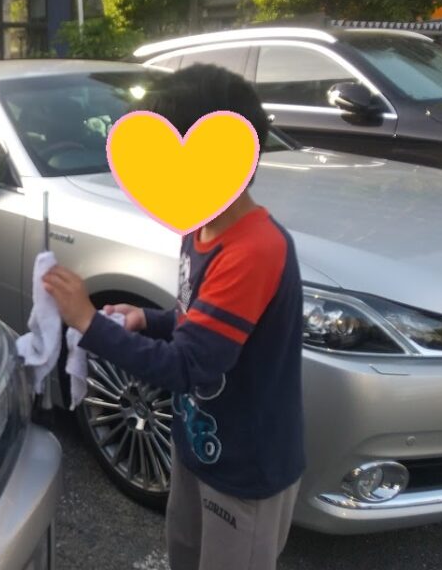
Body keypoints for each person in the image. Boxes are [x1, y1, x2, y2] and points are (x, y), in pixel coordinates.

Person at [43, 64, 305, 570]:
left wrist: (88, 323)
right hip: (199, 446)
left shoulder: (254, 250)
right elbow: (198, 318)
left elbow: (190, 366)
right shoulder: (200, 225)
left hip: (246, 467)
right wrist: (148, 319)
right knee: (184, 553)